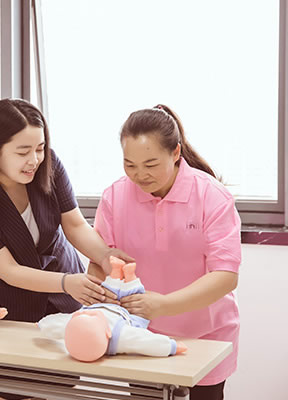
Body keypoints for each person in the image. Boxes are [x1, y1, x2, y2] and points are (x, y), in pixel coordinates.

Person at [0, 98, 132, 400]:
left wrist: (104, 255)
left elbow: (74, 224)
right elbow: (8, 270)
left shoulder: (48, 164)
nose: (34, 160)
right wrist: (66, 283)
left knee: (63, 385)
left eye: (39, 148)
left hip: (65, 294)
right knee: (16, 388)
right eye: (23, 152)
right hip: (14, 303)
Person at [91, 104, 240, 400]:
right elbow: (100, 259)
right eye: (130, 164)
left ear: (175, 153)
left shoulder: (211, 196)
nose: (139, 175)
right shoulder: (115, 196)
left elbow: (225, 276)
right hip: (139, 334)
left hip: (207, 336)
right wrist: (98, 296)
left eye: (150, 164)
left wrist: (163, 305)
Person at [38, 256, 187, 362]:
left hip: (103, 302)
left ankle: (116, 271)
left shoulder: (72, 324)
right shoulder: (120, 335)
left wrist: (41, 324)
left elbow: (53, 324)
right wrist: (172, 347)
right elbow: (147, 342)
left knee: (107, 290)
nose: (90, 315)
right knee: (134, 294)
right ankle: (130, 274)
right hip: (128, 312)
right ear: (107, 333)